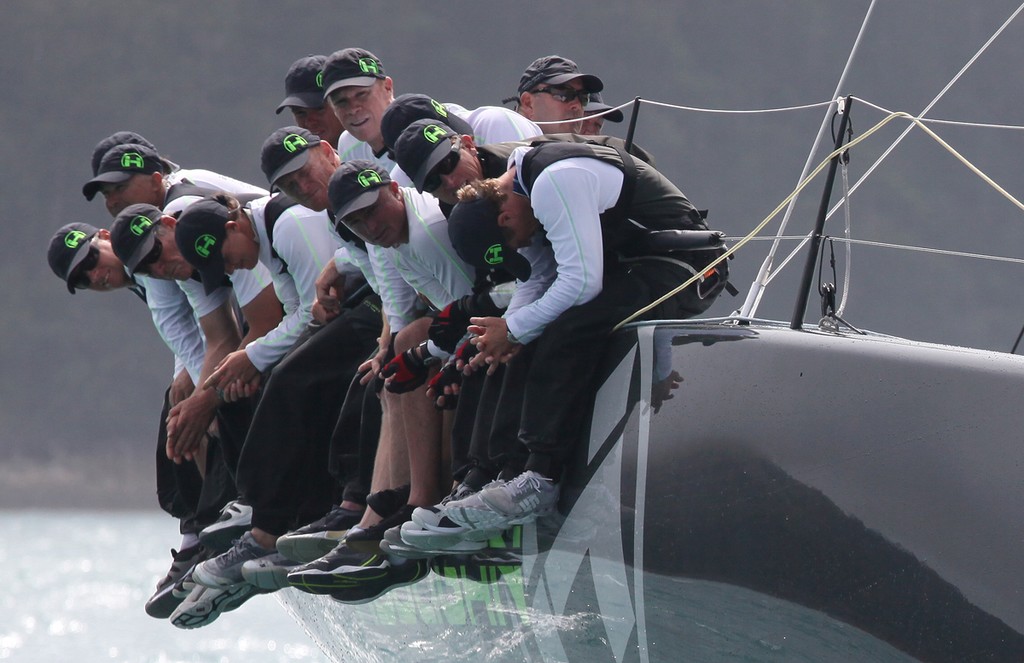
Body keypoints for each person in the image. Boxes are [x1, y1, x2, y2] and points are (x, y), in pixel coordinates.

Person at [438, 140, 730, 537]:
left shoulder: (553, 183)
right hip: (627, 267)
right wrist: (505, 334)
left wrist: (516, 328)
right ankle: (495, 473)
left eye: (510, 245)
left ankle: (540, 478)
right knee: (522, 336)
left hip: (682, 266)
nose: (519, 247)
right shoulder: (523, 193)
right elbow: (538, 278)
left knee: (566, 327)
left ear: (505, 217)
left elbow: (582, 284)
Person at [178, 129, 382, 595]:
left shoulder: (288, 224)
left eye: (225, 260)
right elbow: (302, 314)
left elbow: (317, 314)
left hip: (376, 308)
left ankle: (265, 521)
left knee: (289, 378)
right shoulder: (265, 239)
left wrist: (250, 354)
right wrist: (251, 362)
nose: (230, 272)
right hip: (355, 311)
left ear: (232, 228)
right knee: (262, 382)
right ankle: (279, 510)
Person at [285, 159, 479, 601]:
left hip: (494, 328)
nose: (370, 226)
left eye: (373, 210)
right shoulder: (386, 236)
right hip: (461, 326)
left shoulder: (427, 231)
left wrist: (427, 355)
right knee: (397, 359)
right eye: (356, 221)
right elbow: (408, 307)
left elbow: (474, 309)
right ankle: (403, 509)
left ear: (394, 190)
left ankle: (432, 500)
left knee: (416, 356)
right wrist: (392, 352)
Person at [509, 55, 603, 134]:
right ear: (528, 103)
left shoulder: (594, 154)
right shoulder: (500, 150)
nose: (577, 106)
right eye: (564, 94)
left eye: (583, 97)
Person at [275, 55, 344, 146]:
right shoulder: (296, 159)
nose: (310, 122)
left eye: (319, 109)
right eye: (300, 113)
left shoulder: (366, 148)